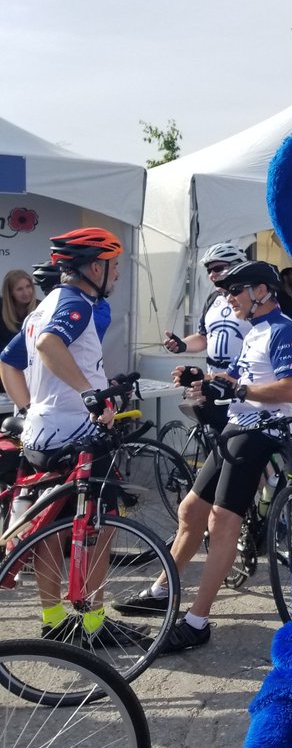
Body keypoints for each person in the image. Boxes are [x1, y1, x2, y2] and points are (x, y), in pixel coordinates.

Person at [118, 260, 292, 653]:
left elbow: (290, 390)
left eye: (234, 292)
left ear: (260, 291)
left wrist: (239, 392)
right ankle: (161, 591)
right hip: (238, 427)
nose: (228, 299)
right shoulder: (254, 331)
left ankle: (196, 621)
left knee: (222, 522)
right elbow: (239, 381)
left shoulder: (285, 331)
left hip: (264, 431)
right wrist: (202, 380)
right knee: (190, 512)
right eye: (225, 293)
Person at [0, 227, 150, 648]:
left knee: (52, 529)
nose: (117, 274)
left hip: (41, 434)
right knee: (101, 526)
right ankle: (94, 622)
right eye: (115, 266)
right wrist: (89, 393)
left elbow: (9, 363)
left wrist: (31, 407)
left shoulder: (41, 307)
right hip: (76, 433)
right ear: (95, 267)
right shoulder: (77, 303)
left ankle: (53, 619)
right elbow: (50, 344)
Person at [162, 242, 252, 426]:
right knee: (214, 437)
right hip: (213, 380)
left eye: (218, 268)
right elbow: (203, 337)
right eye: (209, 270)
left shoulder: (252, 299)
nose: (212, 275)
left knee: (240, 443)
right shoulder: (212, 299)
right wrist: (183, 345)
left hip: (241, 381)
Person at [1, 268, 39, 352]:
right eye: (19, 289)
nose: (26, 293)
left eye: (28, 287)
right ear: (10, 292)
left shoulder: (41, 307)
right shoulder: (1, 306)